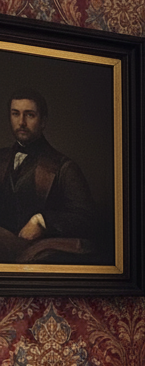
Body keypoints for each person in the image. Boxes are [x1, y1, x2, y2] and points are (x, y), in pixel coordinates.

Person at [0, 88, 97, 263]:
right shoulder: (2, 158)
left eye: (29, 115)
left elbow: (87, 220)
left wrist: (43, 221)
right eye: (15, 114)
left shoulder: (63, 167)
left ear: (43, 121)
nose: (21, 122)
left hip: (38, 259)